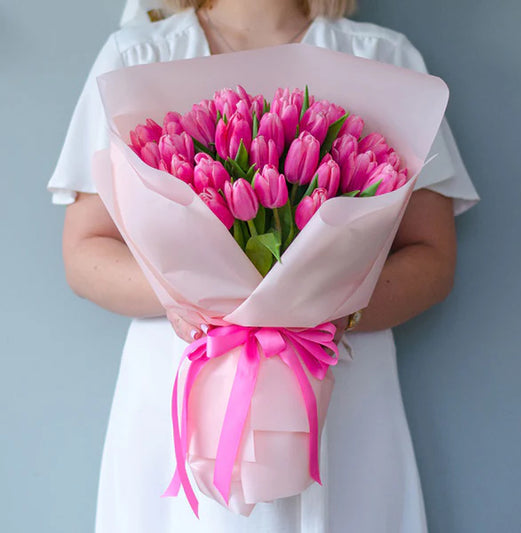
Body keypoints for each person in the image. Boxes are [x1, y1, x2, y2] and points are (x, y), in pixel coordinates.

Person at [48, 0, 479, 531]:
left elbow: (432, 259)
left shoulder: (384, 57)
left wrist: (329, 314)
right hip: (180, 391)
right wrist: (200, 301)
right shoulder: (139, 55)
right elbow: (84, 252)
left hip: (342, 393)